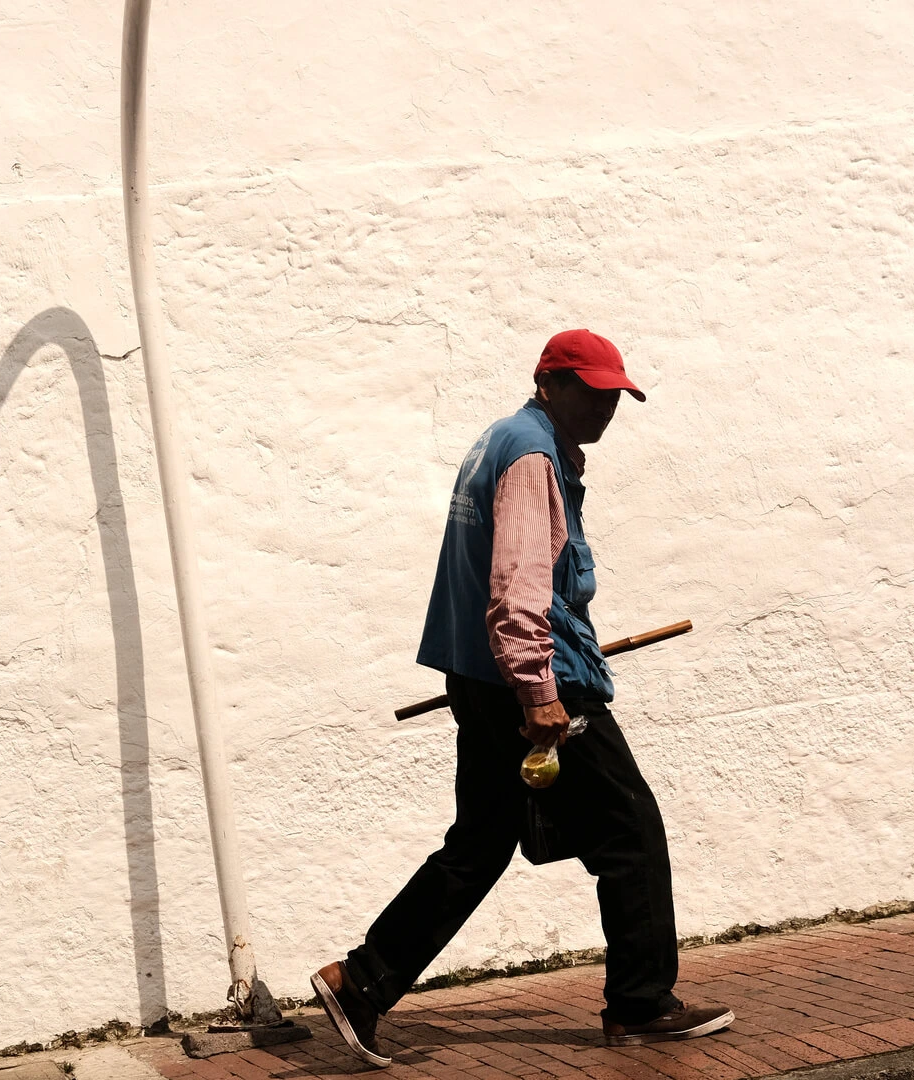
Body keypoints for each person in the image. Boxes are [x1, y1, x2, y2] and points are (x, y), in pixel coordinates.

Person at [310, 329, 733, 1066]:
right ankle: (640, 1003)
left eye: (614, 395)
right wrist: (539, 691)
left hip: (480, 679)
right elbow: (516, 586)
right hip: (533, 681)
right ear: (549, 383)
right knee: (630, 830)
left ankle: (361, 983)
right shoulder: (531, 455)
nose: (605, 407)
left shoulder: (501, 440)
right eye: (590, 391)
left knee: (480, 843)